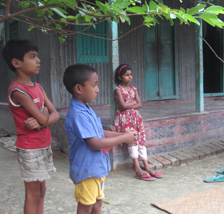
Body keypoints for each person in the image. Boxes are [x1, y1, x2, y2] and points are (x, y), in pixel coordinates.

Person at [63, 63, 137, 214]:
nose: (98, 89)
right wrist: (124, 137)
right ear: (78, 89)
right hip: (87, 171)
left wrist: (124, 135)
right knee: (85, 207)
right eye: (94, 85)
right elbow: (95, 143)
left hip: (96, 169)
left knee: (97, 205)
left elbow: (99, 133)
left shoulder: (86, 109)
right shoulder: (78, 114)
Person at [2, 39, 59, 214]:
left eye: (37, 56)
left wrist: (42, 120)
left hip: (43, 144)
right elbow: (45, 116)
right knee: (33, 194)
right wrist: (43, 115)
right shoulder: (18, 91)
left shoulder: (38, 87)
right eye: (32, 57)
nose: (38, 60)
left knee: (42, 191)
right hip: (30, 148)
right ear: (16, 63)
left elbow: (55, 115)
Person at [114, 64, 164, 181]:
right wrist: (133, 103)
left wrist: (130, 104)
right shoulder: (118, 90)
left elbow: (140, 104)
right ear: (120, 77)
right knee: (133, 141)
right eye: (126, 75)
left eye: (130, 75)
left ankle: (147, 167)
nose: (129, 77)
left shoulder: (134, 89)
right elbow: (123, 106)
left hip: (136, 117)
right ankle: (137, 169)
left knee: (141, 140)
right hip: (125, 118)